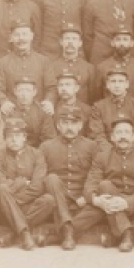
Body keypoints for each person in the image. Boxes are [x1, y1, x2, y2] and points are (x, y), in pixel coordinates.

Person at [80, 116, 134, 252]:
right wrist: (96, 200)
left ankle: (119, 237)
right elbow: (91, 183)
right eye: (119, 133)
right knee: (105, 185)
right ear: (112, 137)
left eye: (127, 133)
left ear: (133, 137)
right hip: (110, 205)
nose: (123, 137)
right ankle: (127, 236)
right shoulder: (102, 157)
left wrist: (127, 203)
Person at [39, 106, 102, 250]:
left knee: (101, 207)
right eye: (65, 123)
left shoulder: (92, 146)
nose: (69, 127)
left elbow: (95, 175)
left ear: (80, 125)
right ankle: (67, 229)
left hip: (82, 201)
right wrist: (70, 196)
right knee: (52, 178)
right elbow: (41, 177)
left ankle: (62, 233)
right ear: (58, 126)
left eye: (73, 123)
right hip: (58, 200)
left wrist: (86, 196)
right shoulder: (46, 147)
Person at [0, 116, 56, 250]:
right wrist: (21, 183)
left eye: (17, 135)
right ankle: (24, 233)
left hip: (25, 206)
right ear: (5, 138)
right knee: (2, 189)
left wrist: (13, 199)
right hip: (4, 208)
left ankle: (14, 229)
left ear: (24, 137)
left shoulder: (37, 154)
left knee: (48, 200)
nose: (14, 140)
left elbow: (38, 186)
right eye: (9, 136)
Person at [0, 18, 50, 113]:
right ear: (11, 38)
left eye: (24, 34)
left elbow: (51, 87)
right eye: (17, 35)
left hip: (38, 112)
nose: (21, 38)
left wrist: (49, 101)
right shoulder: (2, 62)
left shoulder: (44, 61)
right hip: (12, 112)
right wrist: (3, 102)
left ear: (31, 36)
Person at [88, 66, 134, 151]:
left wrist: (129, 152)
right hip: (107, 154)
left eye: (121, 81)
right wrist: (112, 153)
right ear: (107, 85)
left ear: (127, 84)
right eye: (113, 81)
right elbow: (97, 135)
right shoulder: (98, 107)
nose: (117, 85)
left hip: (133, 153)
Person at [42, 23, 96, 106]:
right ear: (61, 42)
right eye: (67, 38)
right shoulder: (52, 66)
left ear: (80, 43)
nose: (70, 42)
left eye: (74, 39)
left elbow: (93, 98)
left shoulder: (89, 68)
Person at [95, 24, 134, 100]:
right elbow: (97, 97)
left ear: (132, 43)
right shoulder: (102, 67)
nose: (121, 43)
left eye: (125, 39)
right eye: (118, 39)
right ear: (112, 43)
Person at [7, 76, 56, 148]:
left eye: (28, 90)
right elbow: (2, 137)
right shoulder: (9, 110)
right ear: (15, 91)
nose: (24, 94)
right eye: (20, 90)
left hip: (36, 152)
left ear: (34, 92)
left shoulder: (42, 111)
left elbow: (48, 138)